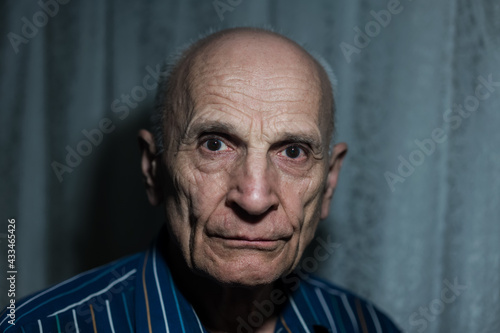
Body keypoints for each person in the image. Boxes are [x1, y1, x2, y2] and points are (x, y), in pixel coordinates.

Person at [0, 27, 401, 333]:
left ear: (329, 182)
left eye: (293, 152)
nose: (256, 197)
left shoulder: (367, 324)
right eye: (214, 145)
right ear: (153, 169)